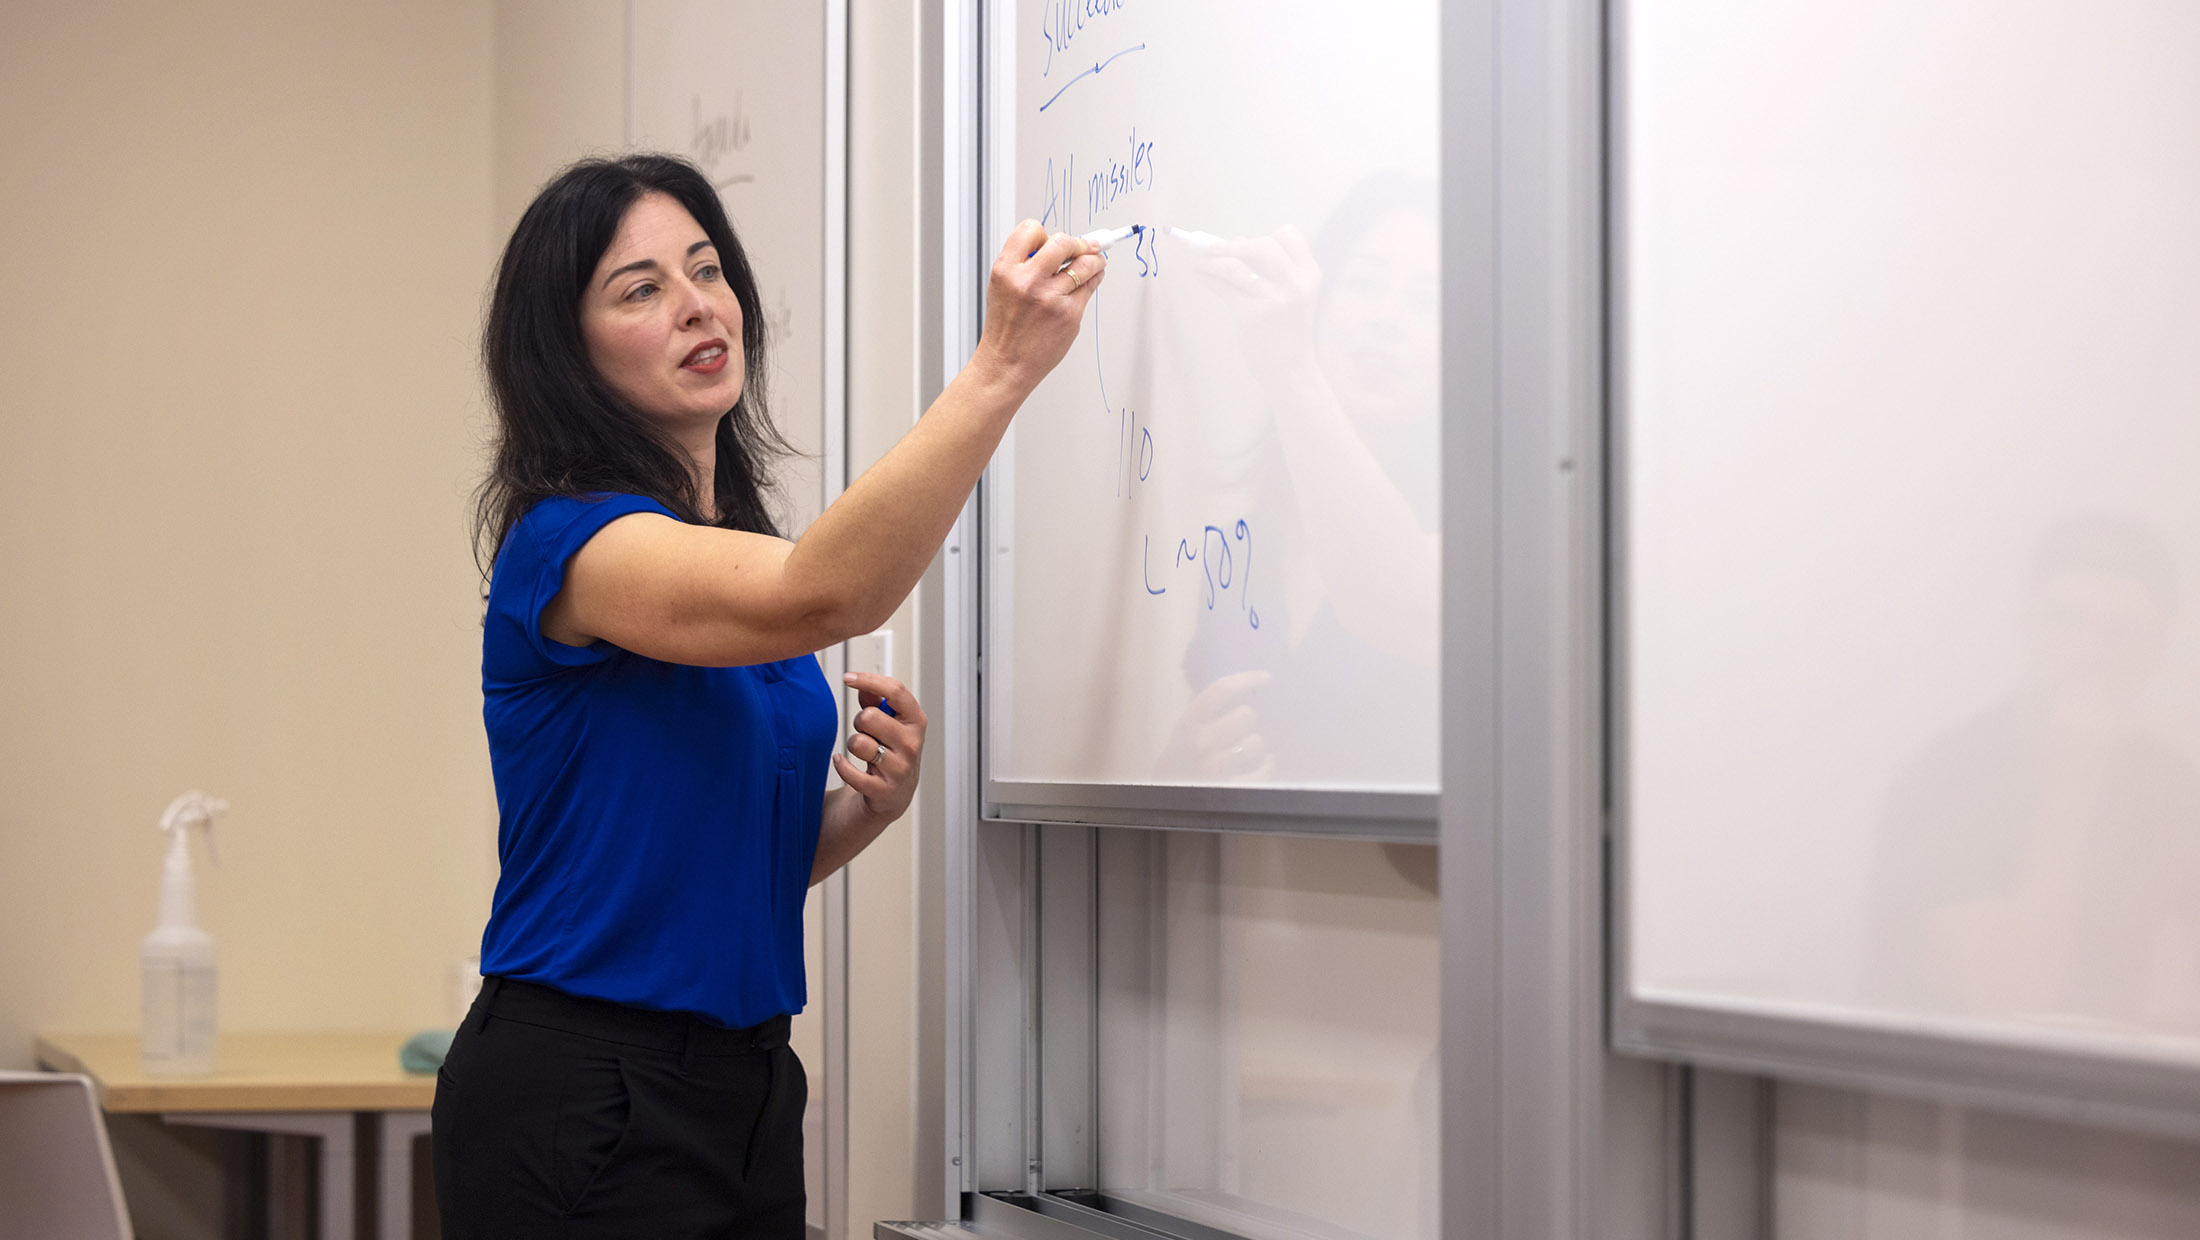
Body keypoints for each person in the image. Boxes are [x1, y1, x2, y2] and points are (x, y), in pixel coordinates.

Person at [431, 154, 1104, 1237]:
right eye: (640, 289)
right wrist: (998, 369)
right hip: (580, 1089)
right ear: (567, 351)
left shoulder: (727, 560)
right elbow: (825, 590)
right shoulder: (576, 547)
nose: (698, 304)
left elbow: (714, 859)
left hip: (744, 1083)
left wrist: (860, 811)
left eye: (705, 268)